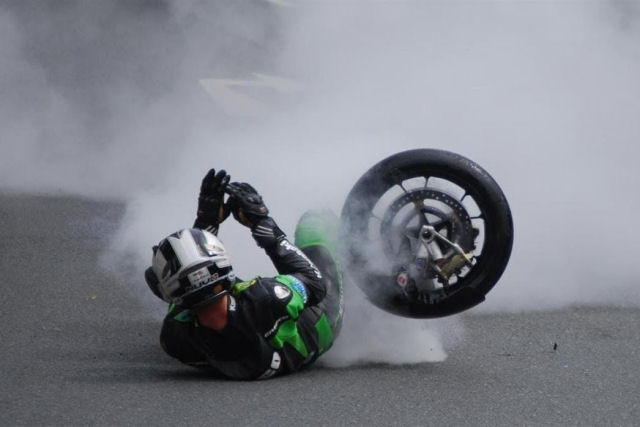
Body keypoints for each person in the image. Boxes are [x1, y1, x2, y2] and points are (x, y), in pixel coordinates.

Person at [144, 169, 343, 379]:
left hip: (252, 345)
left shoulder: (174, 338)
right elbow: (314, 283)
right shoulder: (264, 298)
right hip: (319, 325)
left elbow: (190, 288)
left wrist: (206, 223)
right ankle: (367, 262)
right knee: (314, 223)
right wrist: (264, 225)